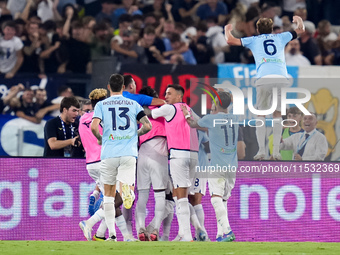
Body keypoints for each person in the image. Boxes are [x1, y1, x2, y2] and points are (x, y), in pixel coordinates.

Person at [225, 15, 305, 160]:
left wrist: (227, 29)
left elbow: (230, 40)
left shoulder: (254, 40)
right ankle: (275, 152)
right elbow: (300, 30)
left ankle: (261, 151)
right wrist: (298, 20)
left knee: (261, 115)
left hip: (264, 78)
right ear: (272, 29)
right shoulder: (281, 37)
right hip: (281, 78)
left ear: (257, 29)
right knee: (277, 115)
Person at [91, 73, 152, 241]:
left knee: (109, 196)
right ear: (124, 87)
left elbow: (94, 127)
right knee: (127, 188)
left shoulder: (101, 105)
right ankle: (129, 193)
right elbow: (148, 125)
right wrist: (136, 134)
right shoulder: (133, 104)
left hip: (109, 153)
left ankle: (111, 234)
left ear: (109, 87)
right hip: (128, 153)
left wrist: (100, 138)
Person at [78, 88, 135, 242]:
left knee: (112, 199)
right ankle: (89, 223)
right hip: (106, 160)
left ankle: (122, 236)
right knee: (121, 197)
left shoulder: (82, 119)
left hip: (91, 164)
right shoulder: (105, 117)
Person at [181, 91, 238, 242]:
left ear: (216, 104)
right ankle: (220, 235)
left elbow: (192, 124)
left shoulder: (211, 119)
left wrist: (187, 113)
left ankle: (227, 231)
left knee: (215, 199)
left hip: (217, 165)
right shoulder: (236, 118)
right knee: (224, 200)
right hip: (232, 166)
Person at [147, 84, 201, 242]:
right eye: (165, 93)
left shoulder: (169, 108)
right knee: (180, 195)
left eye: (169, 94)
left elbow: (150, 114)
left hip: (178, 154)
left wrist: (138, 107)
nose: (166, 97)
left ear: (179, 96)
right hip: (194, 156)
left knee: (181, 196)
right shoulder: (189, 109)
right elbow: (200, 125)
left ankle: (187, 235)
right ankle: (184, 233)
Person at [134, 86, 168, 241]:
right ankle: (154, 230)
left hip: (142, 152)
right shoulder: (164, 109)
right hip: (159, 151)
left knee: (142, 195)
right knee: (160, 195)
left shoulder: (138, 113)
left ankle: (140, 229)